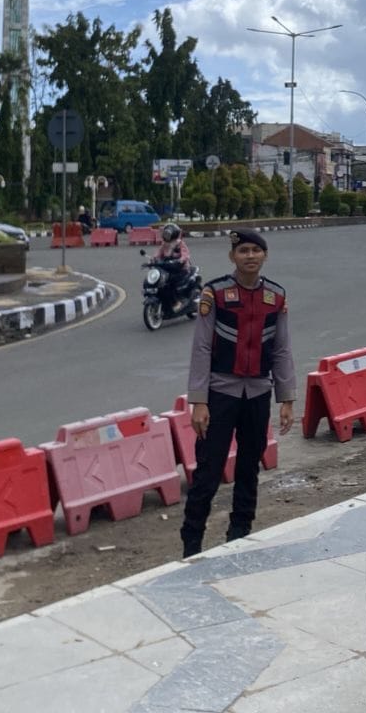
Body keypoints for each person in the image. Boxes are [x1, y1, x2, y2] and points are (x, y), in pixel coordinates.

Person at [181, 228, 296, 557]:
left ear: (265, 256)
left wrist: (287, 398)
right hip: (220, 394)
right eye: (243, 251)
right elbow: (202, 348)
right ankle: (192, 543)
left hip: (258, 394)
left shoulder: (276, 296)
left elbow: (281, 349)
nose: (250, 256)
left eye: (255, 251)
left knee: (249, 468)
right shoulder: (215, 293)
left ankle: (239, 535)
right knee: (208, 471)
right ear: (232, 256)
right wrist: (199, 401)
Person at [155, 222, 193, 290]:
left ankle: (177, 296)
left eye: (168, 234)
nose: (166, 236)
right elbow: (158, 253)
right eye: (165, 234)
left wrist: (181, 260)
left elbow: (185, 254)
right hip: (167, 266)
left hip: (179, 267)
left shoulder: (179, 243)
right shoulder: (164, 244)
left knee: (173, 282)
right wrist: (153, 259)